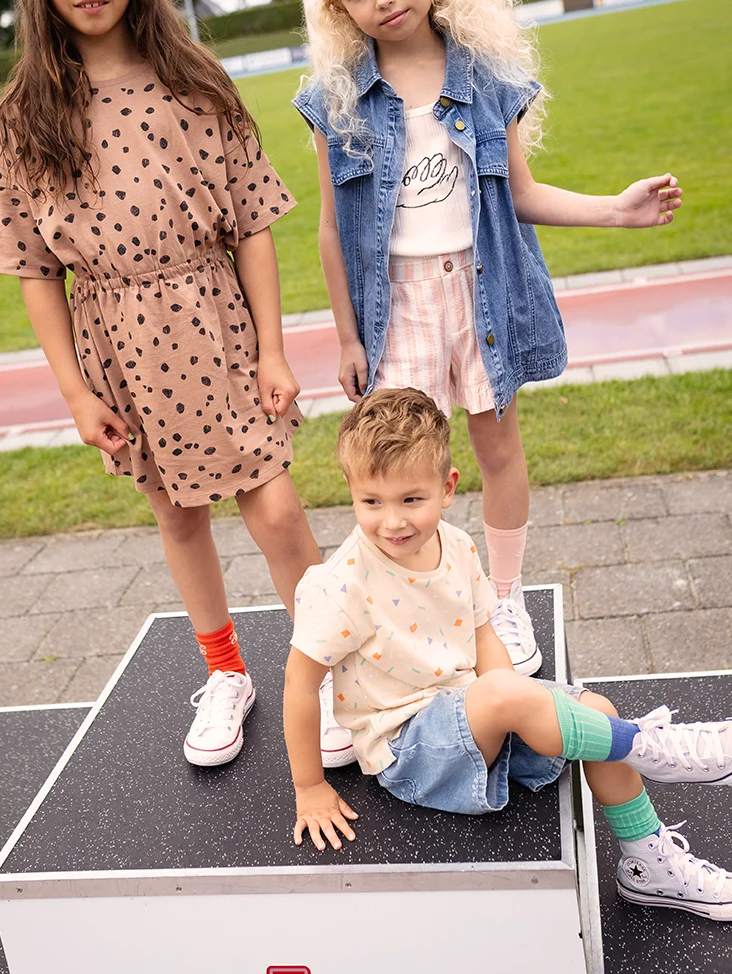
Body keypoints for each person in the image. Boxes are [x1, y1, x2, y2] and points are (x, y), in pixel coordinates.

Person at [0, 0, 352, 770]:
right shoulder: (24, 118)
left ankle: (327, 671)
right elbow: (33, 270)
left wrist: (272, 349)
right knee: (178, 514)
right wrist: (76, 394)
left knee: (276, 509)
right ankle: (225, 671)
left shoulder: (196, 82)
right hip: (119, 343)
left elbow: (253, 224)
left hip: (216, 324)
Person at [291, 0, 683, 677]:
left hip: (481, 294)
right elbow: (332, 228)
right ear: (340, 8)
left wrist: (617, 210)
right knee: (398, 467)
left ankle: (502, 599)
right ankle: (413, 611)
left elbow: (523, 194)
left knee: (497, 449)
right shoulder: (337, 100)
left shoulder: (484, 78)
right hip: (395, 307)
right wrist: (346, 336)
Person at [284, 388, 732, 920]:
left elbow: (483, 636)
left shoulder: (457, 546)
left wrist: (517, 703)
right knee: (510, 695)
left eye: (411, 500)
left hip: (475, 714)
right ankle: (651, 746)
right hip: (407, 749)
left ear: (447, 488)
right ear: (351, 492)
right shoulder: (339, 585)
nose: (393, 521)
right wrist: (309, 786)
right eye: (372, 502)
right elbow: (298, 685)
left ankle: (648, 866)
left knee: (597, 710)